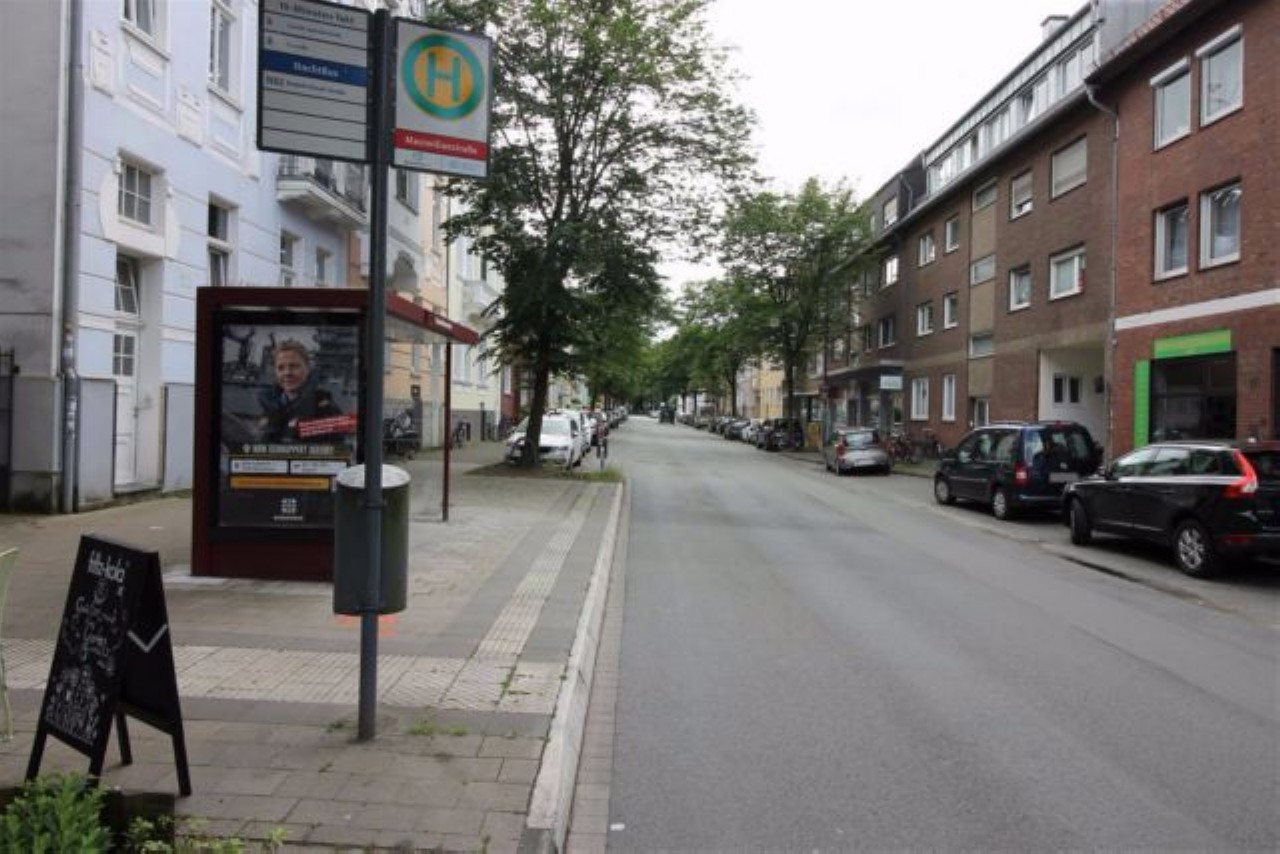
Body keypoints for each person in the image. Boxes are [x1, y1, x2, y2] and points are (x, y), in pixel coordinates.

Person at [257, 339, 344, 442]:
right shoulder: (271, 407)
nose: (287, 373)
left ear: (308, 369)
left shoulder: (327, 411)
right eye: (281, 368)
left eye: (294, 366)